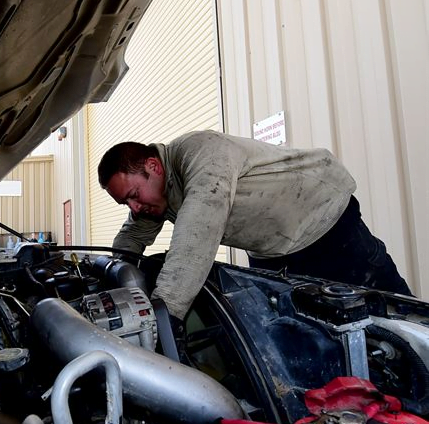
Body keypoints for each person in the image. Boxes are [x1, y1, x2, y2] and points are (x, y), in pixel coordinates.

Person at [98, 130, 412, 320]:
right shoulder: (154, 197)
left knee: (390, 310)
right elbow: (132, 235)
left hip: (323, 220)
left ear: (153, 166)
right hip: (273, 251)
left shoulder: (200, 152)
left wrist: (167, 311)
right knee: (303, 330)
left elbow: (198, 229)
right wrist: (112, 273)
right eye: (126, 203)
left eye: (134, 196)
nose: (135, 208)